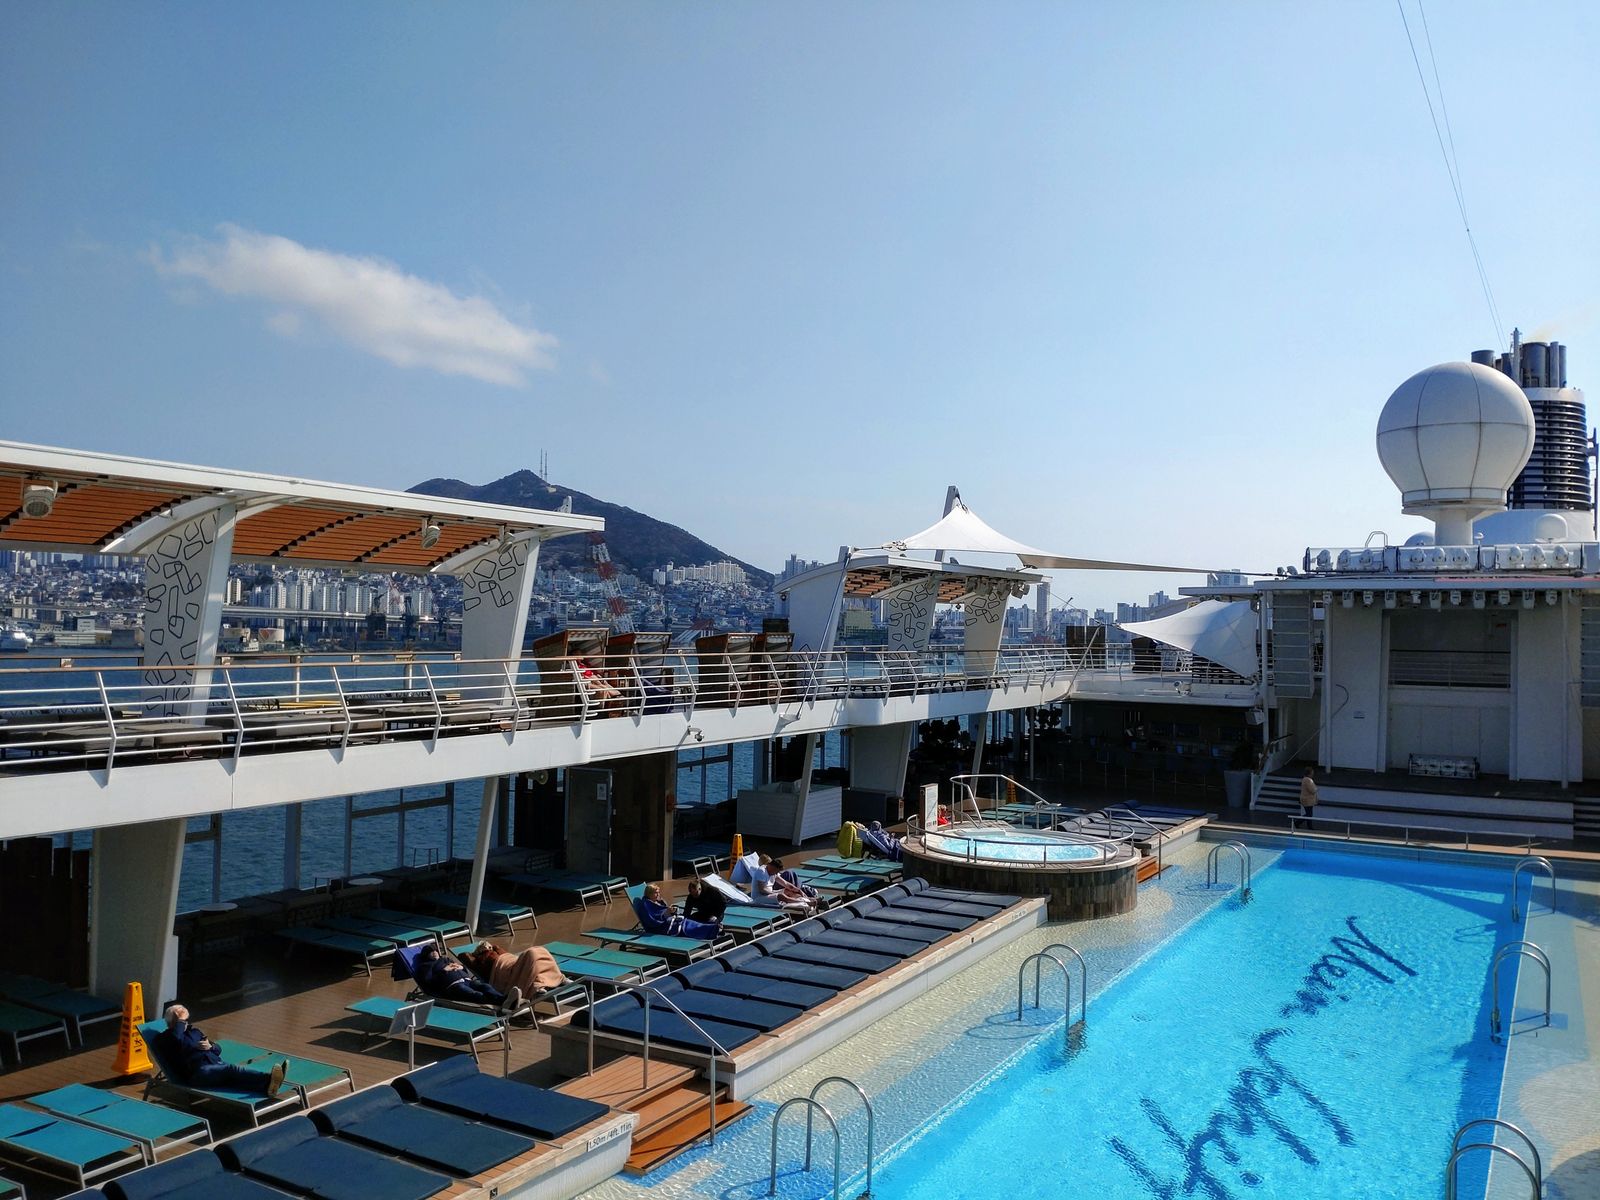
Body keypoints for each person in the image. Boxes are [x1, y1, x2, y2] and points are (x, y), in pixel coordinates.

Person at [154, 1004, 286, 1097]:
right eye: (183, 1020)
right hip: (198, 1073)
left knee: (233, 1080)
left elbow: (218, 1049)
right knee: (232, 1069)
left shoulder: (194, 1032)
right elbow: (176, 1039)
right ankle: (269, 1078)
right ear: (174, 1022)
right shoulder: (164, 1038)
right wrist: (180, 1021)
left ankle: (267, 1087)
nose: (186, 1022)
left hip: (215, 1065)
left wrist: (210, 1047)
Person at [412, 945, 521, 1014]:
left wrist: (461, 967)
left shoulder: (446, 959)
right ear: (426, 955)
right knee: (475, 994)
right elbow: (428, 982)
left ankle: (504, 999)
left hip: (467, 980)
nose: (435, 952)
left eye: (436, 950)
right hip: (453, 986)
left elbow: (465, 970)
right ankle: (506, 1002)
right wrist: (444, 970)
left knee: (485, 986)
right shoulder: (425, 966)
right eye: (431, 951)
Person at [462, 942, 564, 999]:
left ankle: (543, 982)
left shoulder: (498, 950)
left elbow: (509, 956)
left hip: (514, 962)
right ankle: (540, 983)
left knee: (540, 952)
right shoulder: (481, 960)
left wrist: (494, 948)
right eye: (486, 946)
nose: (489, 947)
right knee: (531, 954)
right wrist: (478, 953)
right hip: (506, 969)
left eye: (489, 946)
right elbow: (463, 956)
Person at [637, 883, 722, 939]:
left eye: (658, 892)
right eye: (656, 893)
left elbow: (662, 912)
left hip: (671, 921)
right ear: (649, 894)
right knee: (687, 927)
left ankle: (712, 928)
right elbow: (652, 921)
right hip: (662, 927)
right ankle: (712, 929)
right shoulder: (646, 905)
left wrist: (671, 911)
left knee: (688, 922)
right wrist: (666, 913)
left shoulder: (656, 902)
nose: (658, 895)